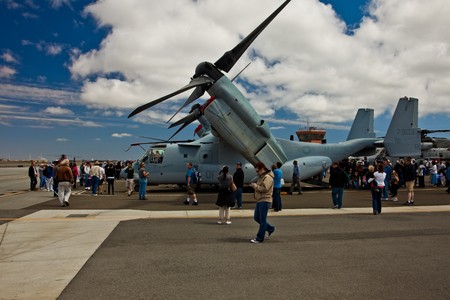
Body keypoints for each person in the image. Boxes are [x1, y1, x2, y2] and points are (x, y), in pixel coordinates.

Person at [249, 162, 275, 243]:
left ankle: (259, 238)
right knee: (256, 218)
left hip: (265, 200)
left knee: (262, 220)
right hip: (260, 199)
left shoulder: (267, 177)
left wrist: (255, 186)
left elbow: (265, 189)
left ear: (262, 169)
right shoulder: (262, 176)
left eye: (257, 171)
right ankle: (270, 228)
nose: (257, 173)